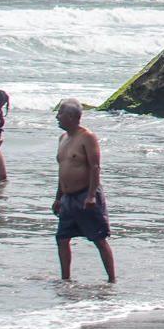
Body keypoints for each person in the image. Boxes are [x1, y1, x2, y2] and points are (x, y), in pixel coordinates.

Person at [52, 99, 115, 281]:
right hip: (68, 198)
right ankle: (65, 279)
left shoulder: (87, 137)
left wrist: (91, 196)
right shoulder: (63, 138)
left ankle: (111, 279)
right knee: (62, 239)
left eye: (60, 113)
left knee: (99, 239)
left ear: (71, 117)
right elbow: (62, 171)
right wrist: (58, 198)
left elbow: (95, 167)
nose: (57, 117)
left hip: (85, 195)